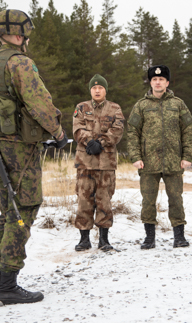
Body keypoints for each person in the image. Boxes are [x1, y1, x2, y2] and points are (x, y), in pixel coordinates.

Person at [0, 9, 68, 305]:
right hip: (19, 149)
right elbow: (38, 101)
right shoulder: (19, 63)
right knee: (23, 209)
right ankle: (8, 284)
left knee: (7, 212)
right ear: (19, 35)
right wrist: (57, 131)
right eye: (26, 34)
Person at [127, 65, 192, 249]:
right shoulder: (141, 105)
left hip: (174, 160)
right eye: (154, 79)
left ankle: (179, 236)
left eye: (161, 79)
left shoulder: (178, 104)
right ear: (150, 82)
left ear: (167, 82)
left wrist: (187, 155)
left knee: (176, 199)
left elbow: (188, 129)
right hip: (147, 162)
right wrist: (135, 156)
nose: (158, 82)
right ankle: (149, 237)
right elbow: (132, 131)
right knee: (148, 200)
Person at [72, 74, 125, 252]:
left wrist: (100, 143)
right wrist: (89, 142)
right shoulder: (81, 107)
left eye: (100, 88)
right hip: (85, 163)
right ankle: (84, 239)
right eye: (94, 88)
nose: (97, 90)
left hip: (106, 163)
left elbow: (117, 130)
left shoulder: (115, 108)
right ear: (90, 90)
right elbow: (77, 128)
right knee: (84, 200)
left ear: (105, 90)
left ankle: (104, 240)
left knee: (105, 201)